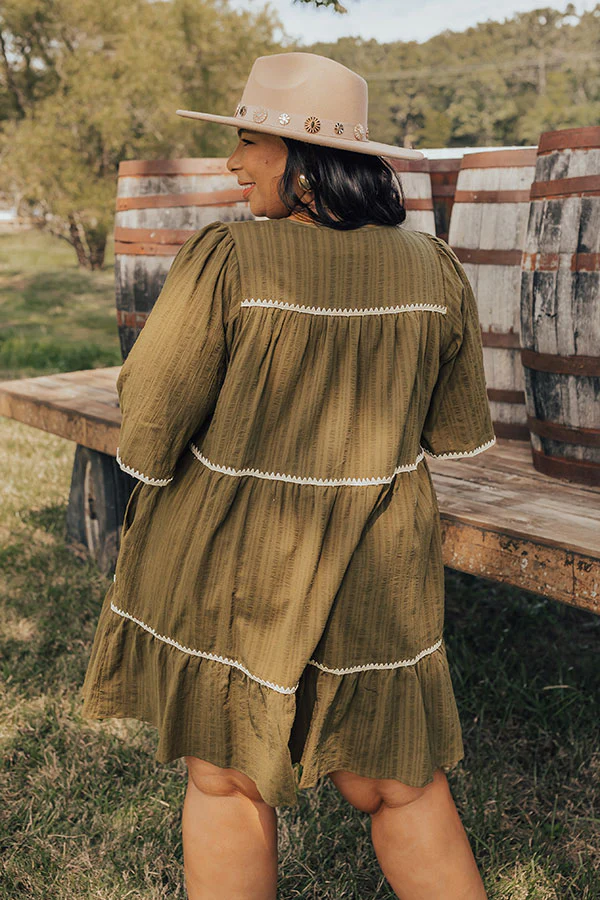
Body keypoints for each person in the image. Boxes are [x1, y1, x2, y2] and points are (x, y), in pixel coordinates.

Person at [82, 51, 495, 900]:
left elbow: (152, 419)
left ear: (304, 160)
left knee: (227, 780)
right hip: (379, 565)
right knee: (398, 785)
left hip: (238, 560)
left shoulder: (228, 261)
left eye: (246, 140)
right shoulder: (434, 270)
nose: (232, 162)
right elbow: (452, 428)